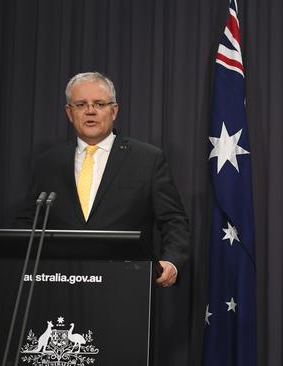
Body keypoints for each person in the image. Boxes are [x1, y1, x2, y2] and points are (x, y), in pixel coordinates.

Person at [15, 72, 190, 287]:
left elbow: (174, 220)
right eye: (81, 105)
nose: (90, 111)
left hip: (126, 283)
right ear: (69, 113)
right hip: (60, 281)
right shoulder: (49, 163)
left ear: (113, 110)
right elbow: (28, 223)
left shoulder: (147, 159)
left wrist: (172, 261)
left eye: (99, 104)